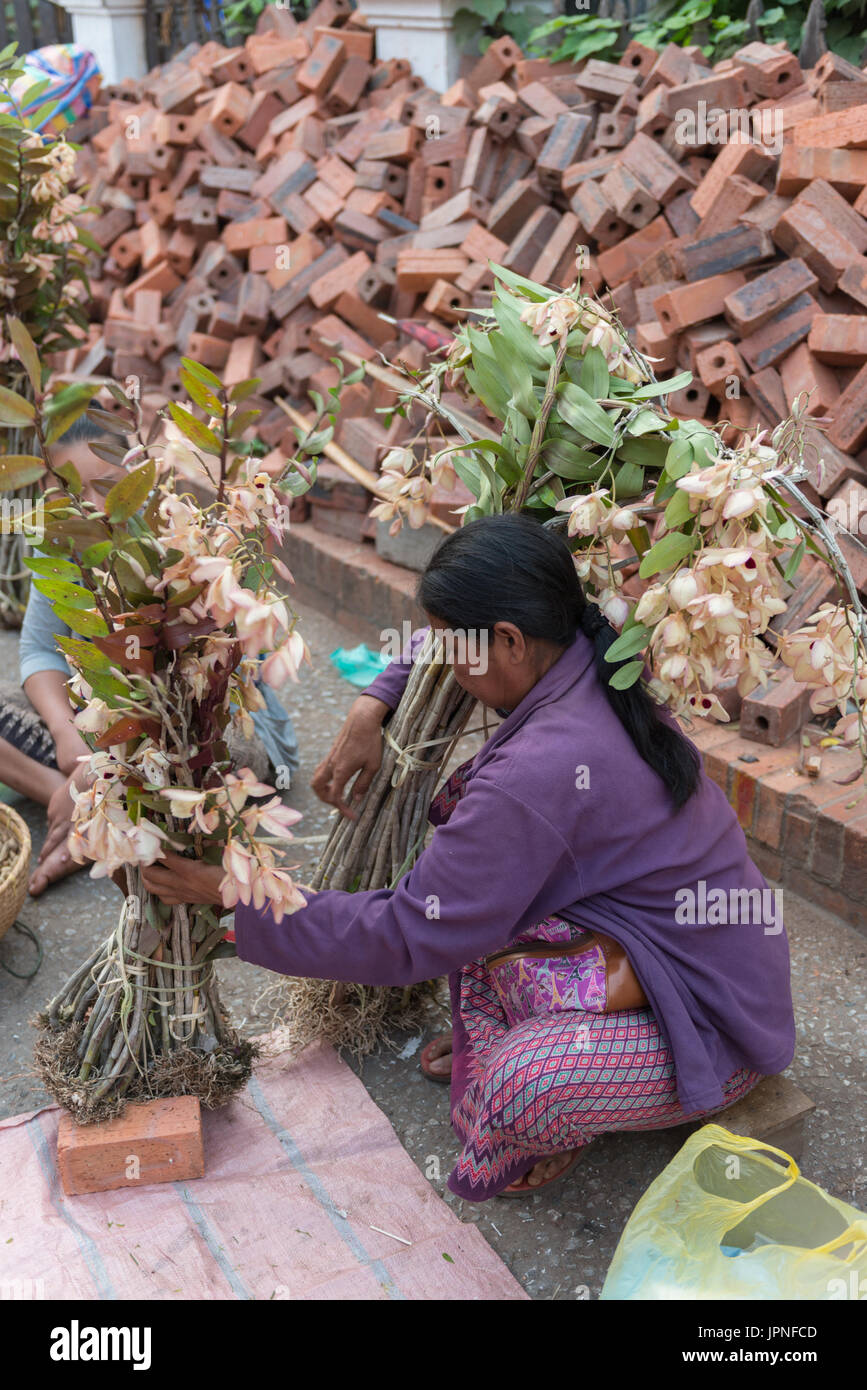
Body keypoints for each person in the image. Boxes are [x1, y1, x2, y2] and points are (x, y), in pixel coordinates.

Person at [142, 513, 796, 1201]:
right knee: (473, 909)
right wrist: (375, 703)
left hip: (714, 1021)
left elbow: (406, 931)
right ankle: (556, 1034)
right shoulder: (585, 642)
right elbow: (442, 636)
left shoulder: (538, 772)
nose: (446, 664)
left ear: (508, 641)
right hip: (668, 944)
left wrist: (237, 895)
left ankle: (591, 1090)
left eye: (459, 651)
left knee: (517, 1089)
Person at [2, 420, 300, 896]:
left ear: (138, 483)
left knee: (208, 766)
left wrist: (97, 763)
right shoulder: (61, 550)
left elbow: (189, 693)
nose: (92, 508)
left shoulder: (182, 551)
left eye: (106, 489)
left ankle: (90, 820)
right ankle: (96, 816)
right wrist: (68, 736)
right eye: (71, 491)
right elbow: (39, 650)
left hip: (196, 724)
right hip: (101, 725)